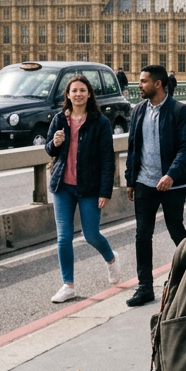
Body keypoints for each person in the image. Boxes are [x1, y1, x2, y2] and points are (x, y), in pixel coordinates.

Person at [44, 75, 120, 303]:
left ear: (89, 94)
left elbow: (108, 159)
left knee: (91, 235)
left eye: (82, 90)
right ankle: (68, 285)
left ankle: (111, 259)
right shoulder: (59, 119)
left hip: (89, 187)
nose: (78, 94)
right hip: (63, 186)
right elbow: (49, 150)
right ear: (67, 95)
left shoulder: (100, 122)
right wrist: (54, 144)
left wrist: (105, 191)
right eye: (74, 90)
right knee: (64, 237)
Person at [124, 64, 186, 307]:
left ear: (158, 84)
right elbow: (133, 147)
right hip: (144, 183)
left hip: (171, 185)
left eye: (143, 81)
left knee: (176, 230)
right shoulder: (138, 110)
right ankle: (145, 287)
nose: (139, 85)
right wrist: (130, 179)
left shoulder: (178, 111)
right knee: (142, 235)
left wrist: (171, 175)